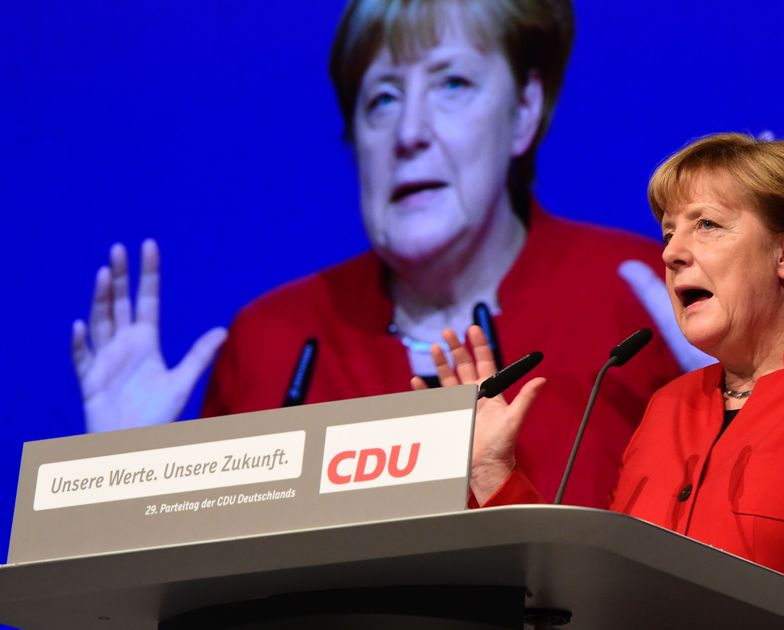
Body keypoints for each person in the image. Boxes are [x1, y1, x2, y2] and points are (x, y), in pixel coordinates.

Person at [70, 0, 711, 508]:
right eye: (382, 98)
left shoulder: (643, 303)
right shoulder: (271, 340)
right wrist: (124, 474)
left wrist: (745, 386)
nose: (409, 132)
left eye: (452, 83)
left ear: (523, 110)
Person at [421, 133, 784, 626]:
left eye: (707, 225)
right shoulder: (669, 406)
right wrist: (493, 472)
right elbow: (593, 596)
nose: (670, 253)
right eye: (668, 232)